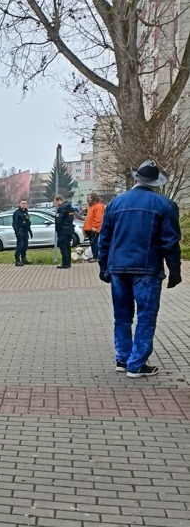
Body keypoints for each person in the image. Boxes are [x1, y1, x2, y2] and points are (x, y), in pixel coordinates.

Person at [98, 159, 182, 378]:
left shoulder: (115, 203)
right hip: (147, 268)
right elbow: (170, 242)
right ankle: (136, 363)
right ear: (155, 182)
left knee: (122, 316)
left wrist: (103, 266)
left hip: (118, 268)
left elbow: (104, 238)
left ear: (136, 179)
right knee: (146, 316)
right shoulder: (165, 205)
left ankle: (123, 358)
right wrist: (175, 270)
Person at [54, 195, 75, 269]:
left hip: (62, 230)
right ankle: (68, 262)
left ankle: (65, 263)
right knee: (67, 247)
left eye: (56, 202)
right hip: (69, 229)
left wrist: (57, 229)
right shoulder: (70, 207)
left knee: (63, 247)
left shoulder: (61, 208)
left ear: (59, 200)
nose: (55, 204)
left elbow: (58, 220)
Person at [83, 192, 105, 261]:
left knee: (94, 243)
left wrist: (94, 227)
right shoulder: (91, 207)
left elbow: (98, 218)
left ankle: (96, 257)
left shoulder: (98, 206)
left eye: (90, 197)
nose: (89, 199)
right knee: (92, 243)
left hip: (94, 228)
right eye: (88, 197)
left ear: (94, 198)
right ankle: (94, 256)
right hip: (89, 228)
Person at [12, 199, 33, 266]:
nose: (24, 204)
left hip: (25, 231)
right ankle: (17, 260)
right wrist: (17, 231)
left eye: (25, 203)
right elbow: (14, 223)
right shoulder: (17, 213)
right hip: (20, 231)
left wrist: (30, 231)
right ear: (19, 204)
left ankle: (24, 259)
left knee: (25, 246)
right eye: (22, 203)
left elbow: (27, 222)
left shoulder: (26, 212)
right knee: (20, 245)